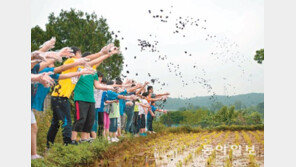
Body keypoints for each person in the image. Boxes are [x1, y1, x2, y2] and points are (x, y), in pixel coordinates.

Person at [47, 43, 115, 146]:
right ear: (76, 54)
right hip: (59, 96)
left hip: (61, 97)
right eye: (80, 54)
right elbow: (87, 59)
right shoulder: (70, 61)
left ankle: (49, 145)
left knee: (56, 123)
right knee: (67, 121)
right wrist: (101, 53)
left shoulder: (77, 67)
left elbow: (92, 62)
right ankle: (68, 144)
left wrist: (107, 55)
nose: (81, 56)